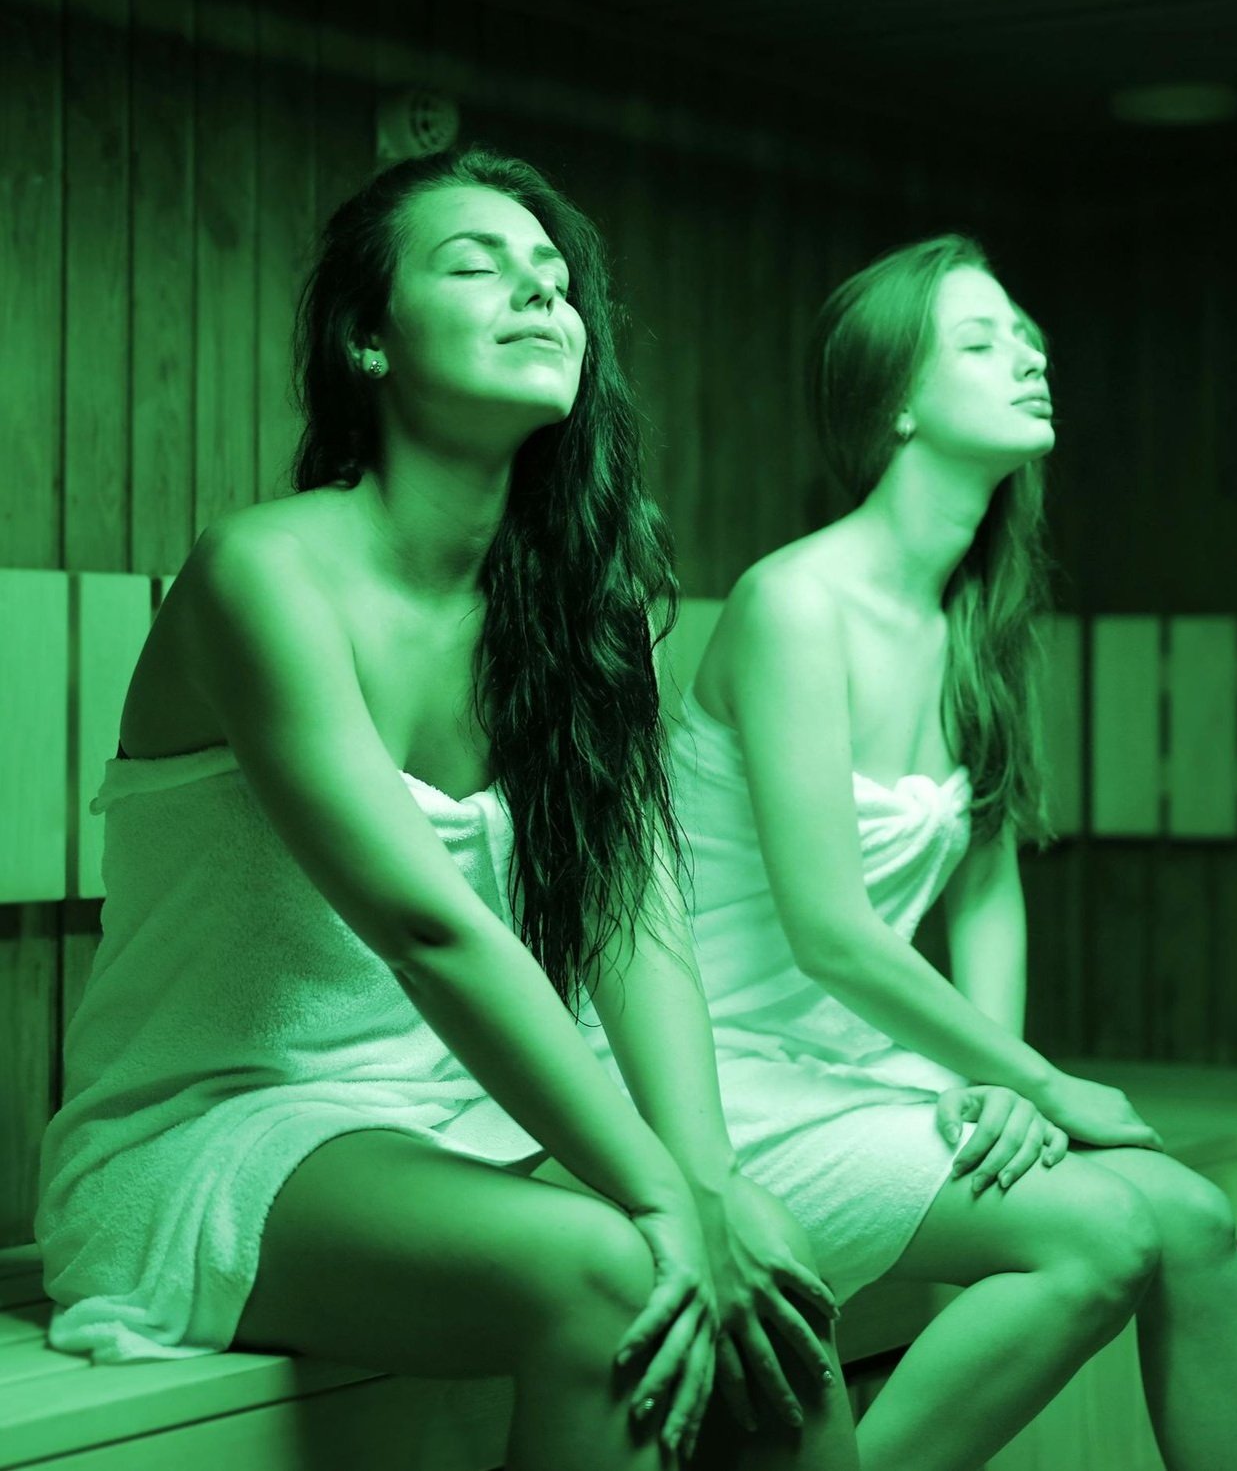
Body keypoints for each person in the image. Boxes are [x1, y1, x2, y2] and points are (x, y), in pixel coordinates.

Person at [35, 147, 859, 1471]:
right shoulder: (263, 572)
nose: (538, 294)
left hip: (456, 1118)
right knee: (615, 1269)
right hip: (216, 1130)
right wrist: (661, 1197)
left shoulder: (583, 610)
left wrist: (706, 1176)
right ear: (367, 339)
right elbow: (428, 930)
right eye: (477, 267)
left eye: (555, 280)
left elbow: (630, 917)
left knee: (778, 1280)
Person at [669, 235, 1237, 1471]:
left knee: (1197, 1222)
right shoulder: (793, 604)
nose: (1028, 357)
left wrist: (997, 1083)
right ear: (894, 404)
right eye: (980, 342)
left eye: (1026, 338)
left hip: (861, 1060)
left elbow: (986, 886)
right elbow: (830, 931)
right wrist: (1040, 1078)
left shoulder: (983, 617)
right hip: (717, 1073)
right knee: (1105, 1233)